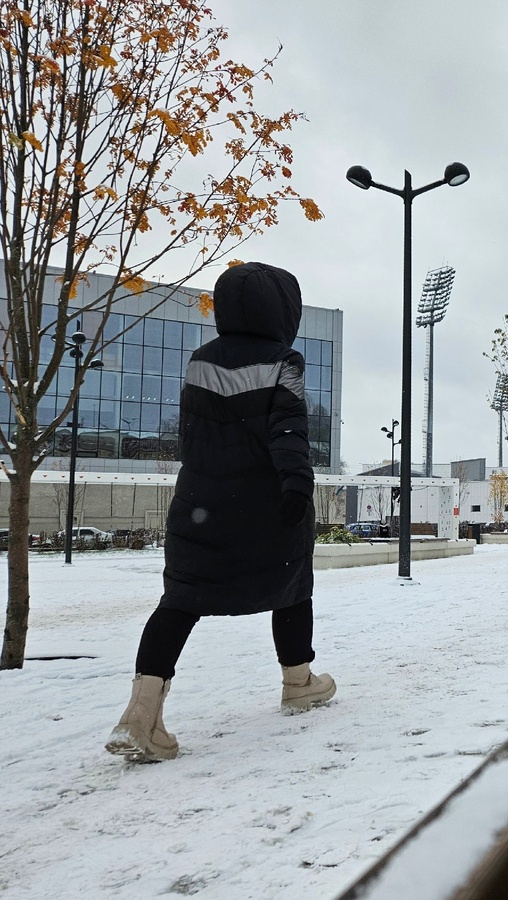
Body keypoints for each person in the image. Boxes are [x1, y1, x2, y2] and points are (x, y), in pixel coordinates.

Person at [106, 262, 335, 763]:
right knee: (293, 584)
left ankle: (141, 714)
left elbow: (195, 437)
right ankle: (298, 681)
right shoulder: (284, 362)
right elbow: (289, 430)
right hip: (264, 502)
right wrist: (296, 486)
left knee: (180, 601)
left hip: (200, 505)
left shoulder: (199, 362)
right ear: (284, 310)